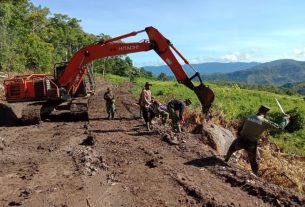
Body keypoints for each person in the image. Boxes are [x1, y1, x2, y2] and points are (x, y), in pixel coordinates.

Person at [224, 105, 290, 176]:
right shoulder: (265, 121)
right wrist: (285, 119)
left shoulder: (249, 117)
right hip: (251, 143)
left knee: (231, 149)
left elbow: (241, 128)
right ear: (266, 113)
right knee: (253, 161)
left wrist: (239, 136)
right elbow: (279, 127)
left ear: (258, 110)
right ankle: (255, 175)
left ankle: (225, 161)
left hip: (241, 139)